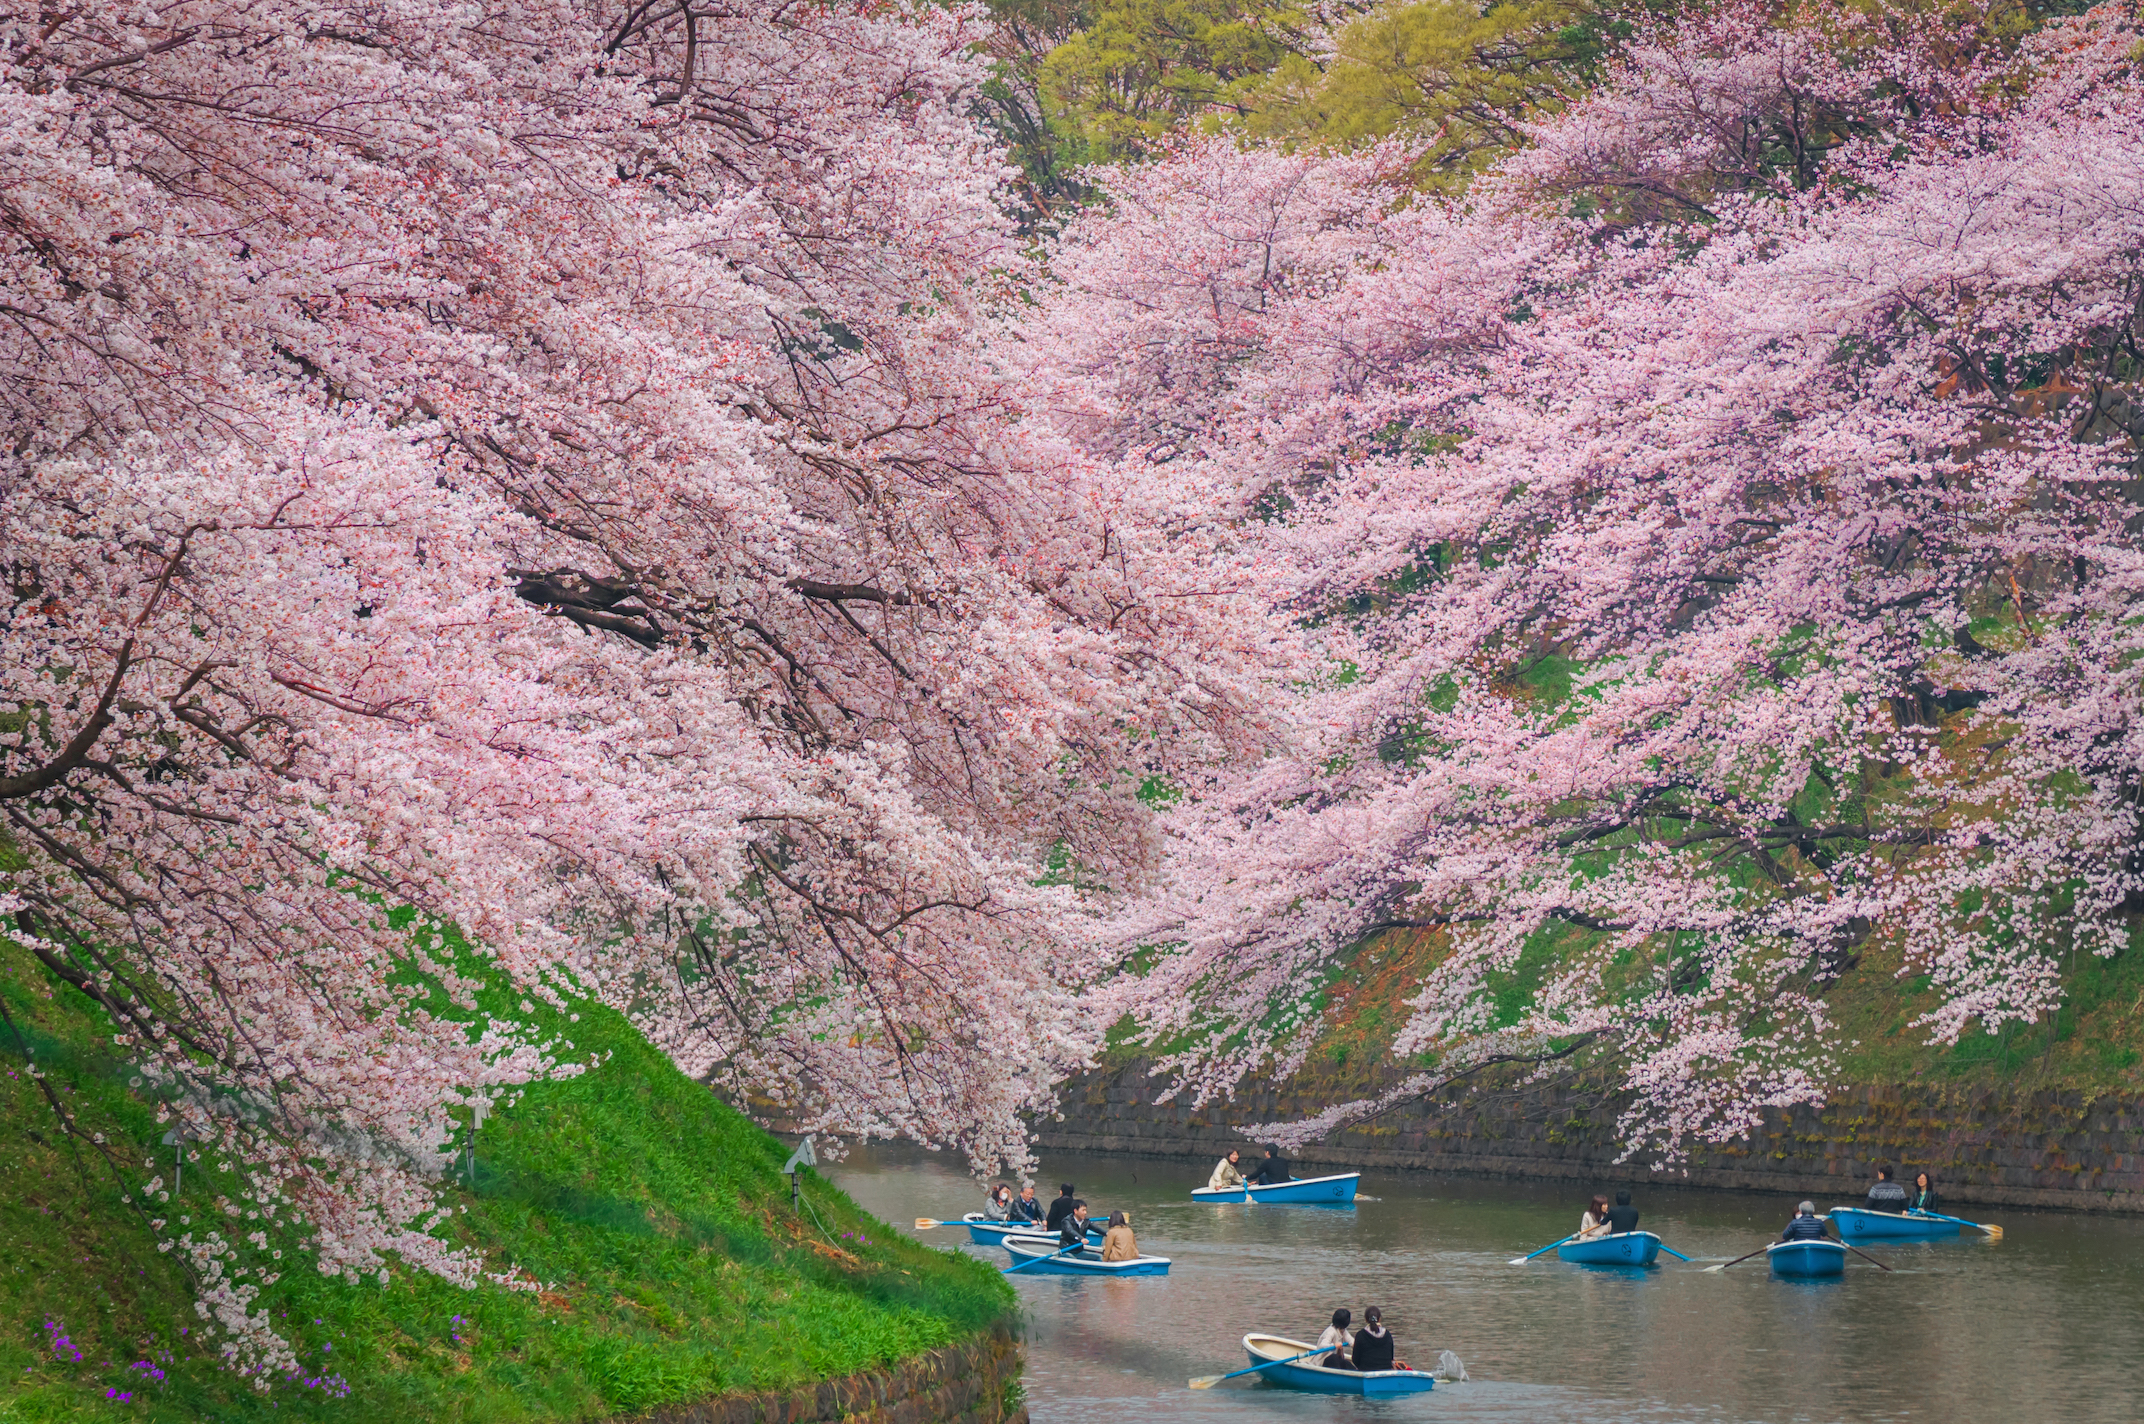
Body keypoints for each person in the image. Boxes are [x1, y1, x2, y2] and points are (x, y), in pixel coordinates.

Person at [1351, 1306, 1396, 1372]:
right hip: (1386, 1372)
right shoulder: (1388, 1335)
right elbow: (1391, 1357)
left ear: (1366, 1320)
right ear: (1379, 1319)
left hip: (1366, 1371)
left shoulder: (1360, 1335)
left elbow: (1355, 1360)